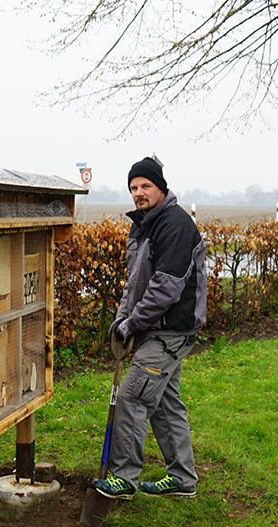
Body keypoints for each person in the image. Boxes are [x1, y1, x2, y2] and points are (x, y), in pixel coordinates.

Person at [91, 155, 206, 501]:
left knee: (132, 396)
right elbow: (136, 283)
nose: (139, 192)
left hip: (171, 331)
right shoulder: (143, 225)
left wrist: (134, 323)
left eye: (145, 186)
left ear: (161, 188)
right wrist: (121, 321)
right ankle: (183, 478)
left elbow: (165, 289)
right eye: (133, 187)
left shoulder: (174, 224)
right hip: (157, 329)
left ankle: (124, 478)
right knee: (167, 404)